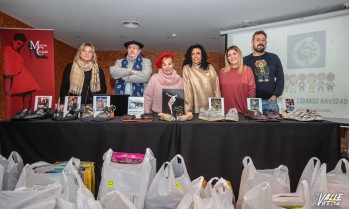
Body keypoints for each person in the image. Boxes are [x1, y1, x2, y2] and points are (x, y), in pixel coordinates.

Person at [244, 30, 284, 115]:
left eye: (263, 40)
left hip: (270, 102)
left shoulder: (274, 58)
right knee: (253, 128)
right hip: (252, 102)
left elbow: (280, 78)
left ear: (266, 42)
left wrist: (276, 95)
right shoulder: (245, 60)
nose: (261, 42)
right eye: (258, 40)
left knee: (274, 128)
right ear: (252, 42)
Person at [2, 33, 41, 118]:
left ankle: (26, 111)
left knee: (28, 92)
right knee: (20, 92)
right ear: (13, 41)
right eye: (18, 43)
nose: (19, 46)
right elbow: (8, 68)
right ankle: (26, 111)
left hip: (22, 76)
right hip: (16, 76)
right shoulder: (8, 49)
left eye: (21, 45)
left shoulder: (14, 51)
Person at [59, 43, 107, 110]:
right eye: (84, 51)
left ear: (93, 55)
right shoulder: (70, 67)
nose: (86, 53)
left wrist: (97, 104)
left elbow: (103, 89)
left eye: (90, 52)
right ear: (80, 53)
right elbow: (64, 86)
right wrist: (62, 103)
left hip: (91, 106)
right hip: (73, 105)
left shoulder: (98, 70)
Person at [182, 44, 220, 114]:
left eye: (198, 53)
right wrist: (188, 111)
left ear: (202, 55)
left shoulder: (210, 67)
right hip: (195, 111)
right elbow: (188, 92)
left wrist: (217, 110)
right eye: (192, 54)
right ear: (190, 56)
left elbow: (216, 89)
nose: (195, 56)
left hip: (212, 110)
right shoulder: (187, 69)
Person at [219, 45, 256, 114]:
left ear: (239, 55)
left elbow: (252, 90)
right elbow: (219, 91)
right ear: (227, 58)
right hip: (225, 112)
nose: (232, 57)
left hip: (243, 111)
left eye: (234, 54)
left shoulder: (248, 70)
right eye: (229, 55)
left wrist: (251, 110)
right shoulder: (222, 72)